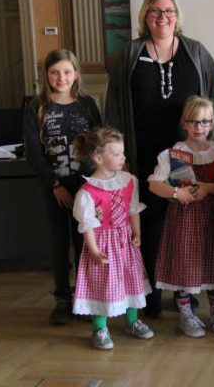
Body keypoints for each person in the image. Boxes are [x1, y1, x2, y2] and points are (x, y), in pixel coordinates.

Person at [106, 0, 214, 317]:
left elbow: (213, 100)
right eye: (156, 11)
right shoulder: (131, 55)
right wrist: (118, 153)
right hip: (142, 152)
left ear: (177, 15)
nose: (163, 17)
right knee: (150, 224)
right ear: (145, 15)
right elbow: (114, 105)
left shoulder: (196, 52)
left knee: (187, 223)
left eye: (169, 10)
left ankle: (186, 291)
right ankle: (151, 294)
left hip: (189, 155)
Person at [23, 49, 102, 325]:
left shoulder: (88, 105)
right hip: (53, 188)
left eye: (67, 72)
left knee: (84, 243)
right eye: (55, 72)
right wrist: (54, 184)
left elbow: (98, 145)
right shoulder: (37, 107)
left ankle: (84, 299)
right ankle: (61, 300)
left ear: (76, 74)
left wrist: (91, 183)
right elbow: (33, 151)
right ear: (46, 75)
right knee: (59, 244)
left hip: (85, 188)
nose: (61, 77)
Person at [148, 97, 214, 338]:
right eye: (193, 122)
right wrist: (177, 192)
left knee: (213, 262)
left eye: (205, 122)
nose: (199, 127)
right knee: (186, 264)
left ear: (212, 124)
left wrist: (209, 188)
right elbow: (155, 184)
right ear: (184, 124)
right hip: (183, 216)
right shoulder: (173, 153)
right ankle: (186, 314)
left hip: (211, 216)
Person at [71, 126, 154, 350]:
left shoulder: (129, 181)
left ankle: (132, 320)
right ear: (98, 157)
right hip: (102, 244)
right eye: (116, 153)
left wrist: (136, 233)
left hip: (124, 241)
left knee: (130, 278)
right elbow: (87, 226)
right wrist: (95, 252)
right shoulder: (87, 192)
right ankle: (99, 327)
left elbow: (132, 209)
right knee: (103, 283)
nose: (123, 157)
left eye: (122, 152)